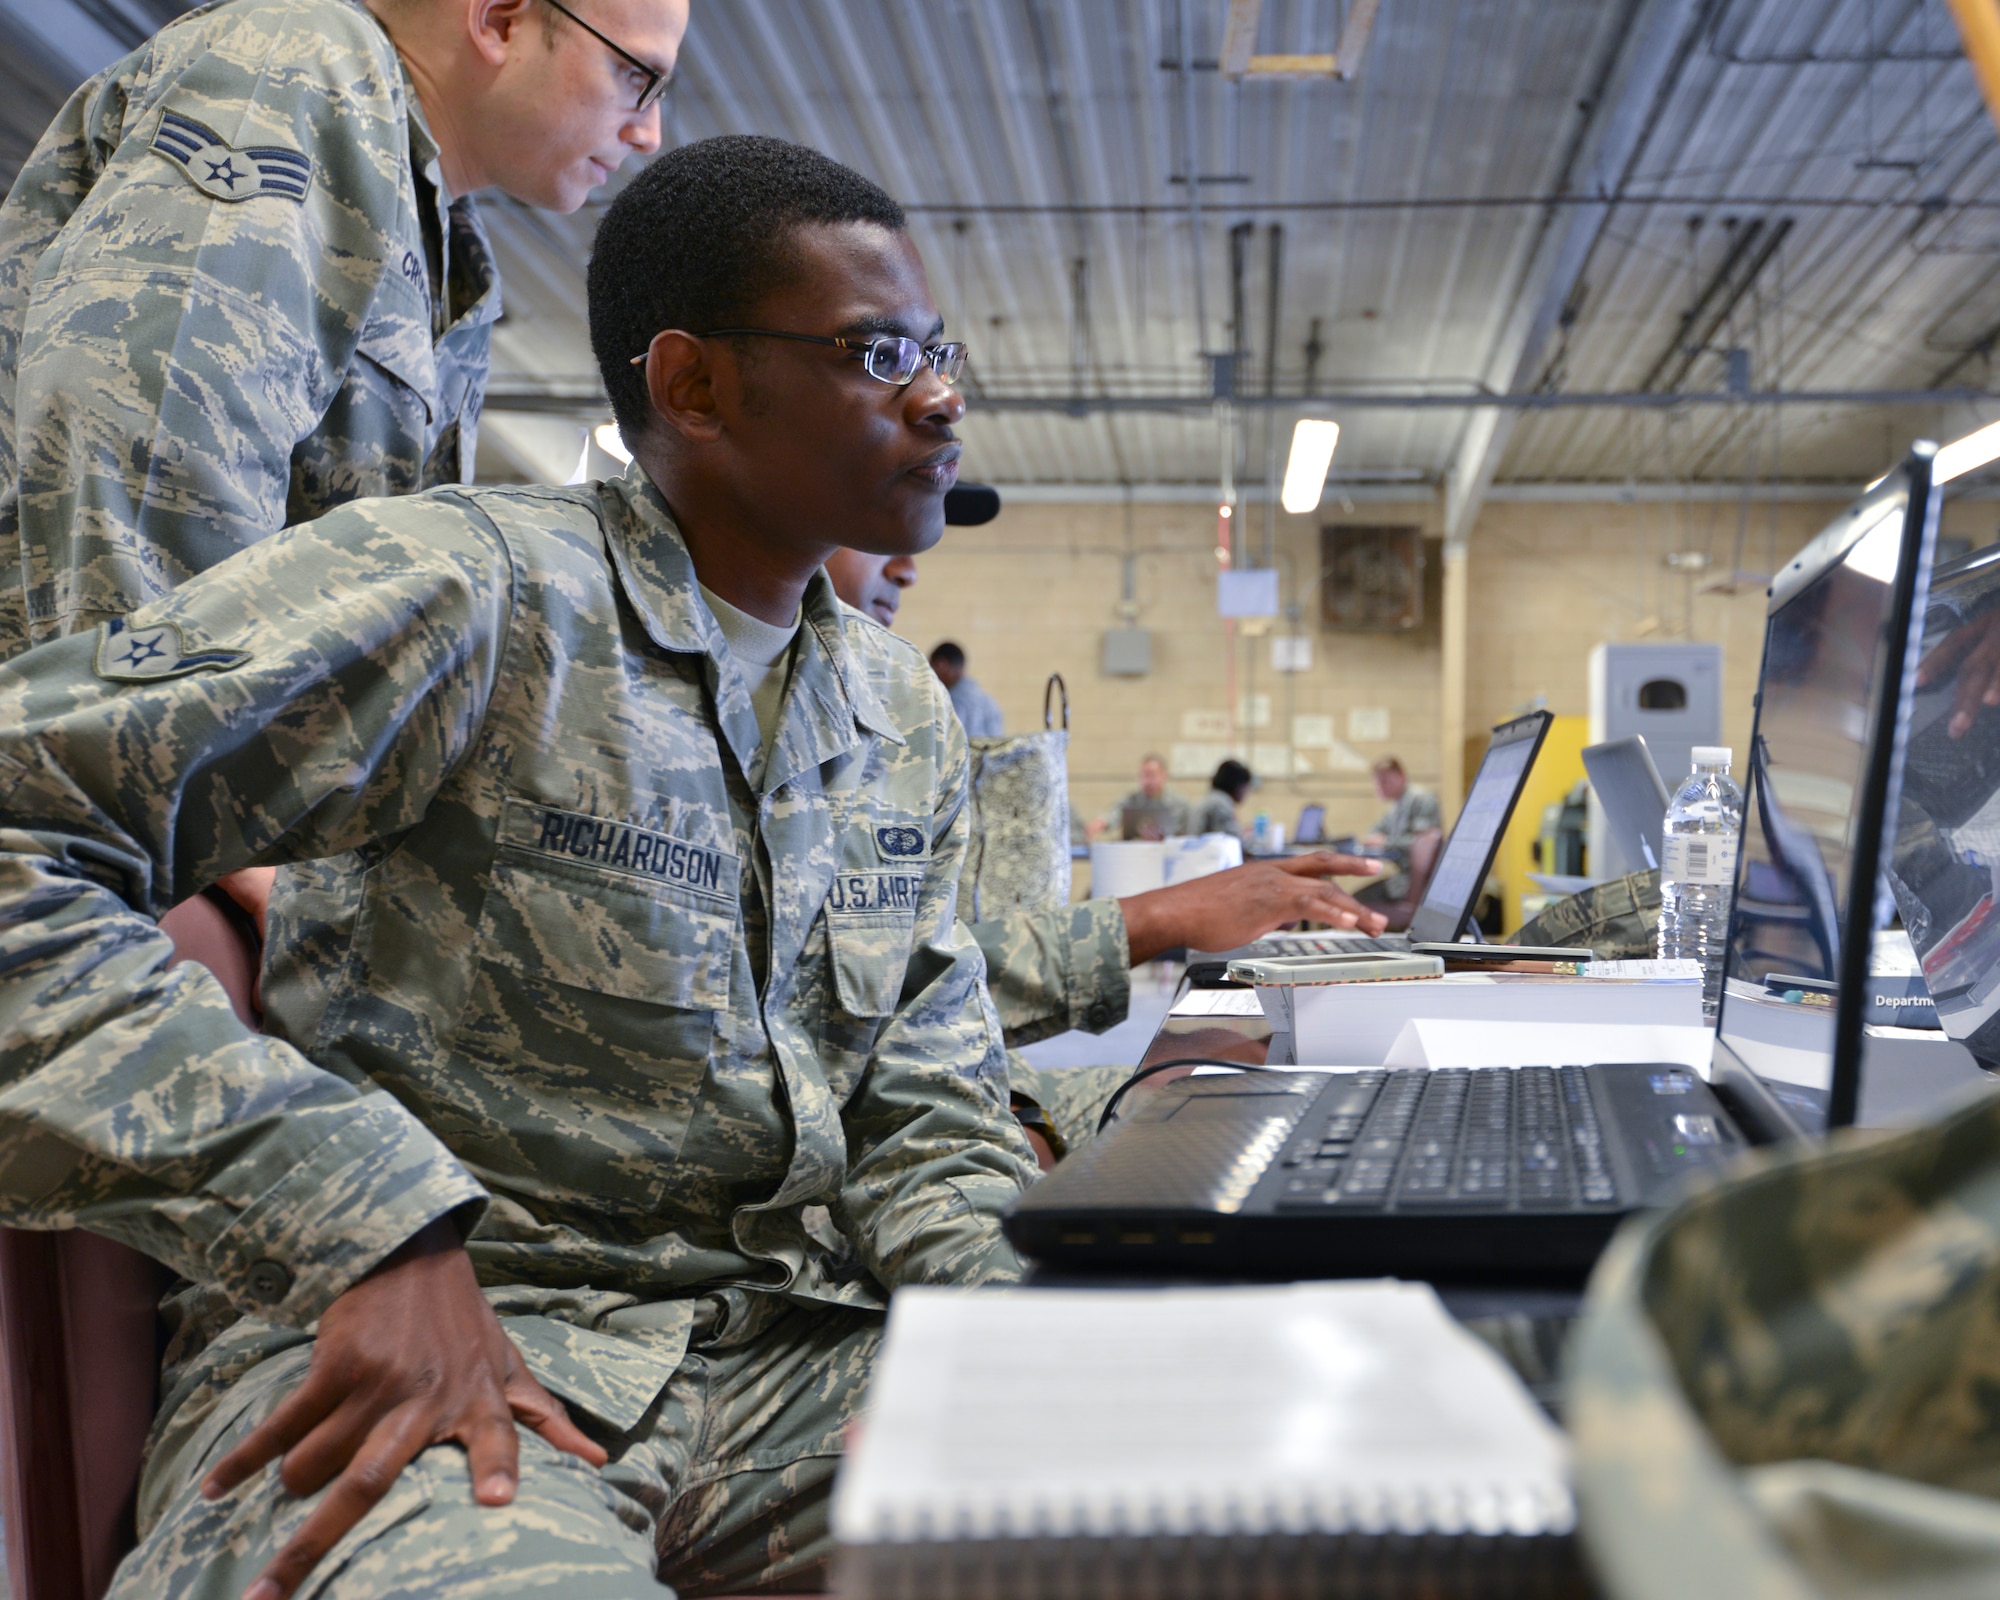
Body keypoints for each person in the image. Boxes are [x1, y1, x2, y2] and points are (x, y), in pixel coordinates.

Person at [0, 135, 1027, 1600]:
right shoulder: (471, 592)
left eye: (939, 351)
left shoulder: (894, 711)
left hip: (775, 1353)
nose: (940, 396)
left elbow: (930, 1108)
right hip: (430, 1353)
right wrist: (359, 1213)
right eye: (878, 352)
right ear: (694, 385)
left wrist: (1017, 1337)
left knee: (1269, 1482)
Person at [0, 0, 688, 928]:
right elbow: (146, 443)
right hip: (89, 800)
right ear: (503, 18)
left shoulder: (450, 248)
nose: (650, 131)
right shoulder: (296, 65)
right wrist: (183, 825)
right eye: (637, 76)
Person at [823, 549, 1390, 1160]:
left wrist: (1028, 1107)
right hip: (888, 1134)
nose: (907, 569)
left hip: (968, 1082)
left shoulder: (896, 699)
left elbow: (920, 983)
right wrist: (1162, 916)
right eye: (875, 534)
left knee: (1262, 1088)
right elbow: (877, 1014)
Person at [1359, 754, 1443, 903]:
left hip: (1422, 881)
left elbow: (1422, 845)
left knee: (1359, 900)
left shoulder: (1421, 799)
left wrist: (1385, 843)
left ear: (1401, 777)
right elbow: (1374, 833)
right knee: (1358, 896)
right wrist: (1375, 839)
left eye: (1385, 781)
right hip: (1405, 877)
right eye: (1377, 782)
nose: (1380, 787)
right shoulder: (1395, 807)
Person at [1091, 752, 1195, 840]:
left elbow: (1191, 832)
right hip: (1138, 854)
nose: (1148, 781)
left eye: (1153, 775)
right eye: (1145, 775)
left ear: (1164, 776)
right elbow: (1115, 813)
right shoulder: (1132, 800)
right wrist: (1102, 822)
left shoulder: (1181, 804)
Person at [928, 638, 1003, 736]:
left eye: (931, 669)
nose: (930, 677)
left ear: (942, 665)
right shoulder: (989, 702)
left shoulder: (950, 703)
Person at [1195, 757, 1253, 839]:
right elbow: (1232, 839)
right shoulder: (1221, 805)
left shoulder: (1212, 798)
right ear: (1238, 786)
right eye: (1246, 787)